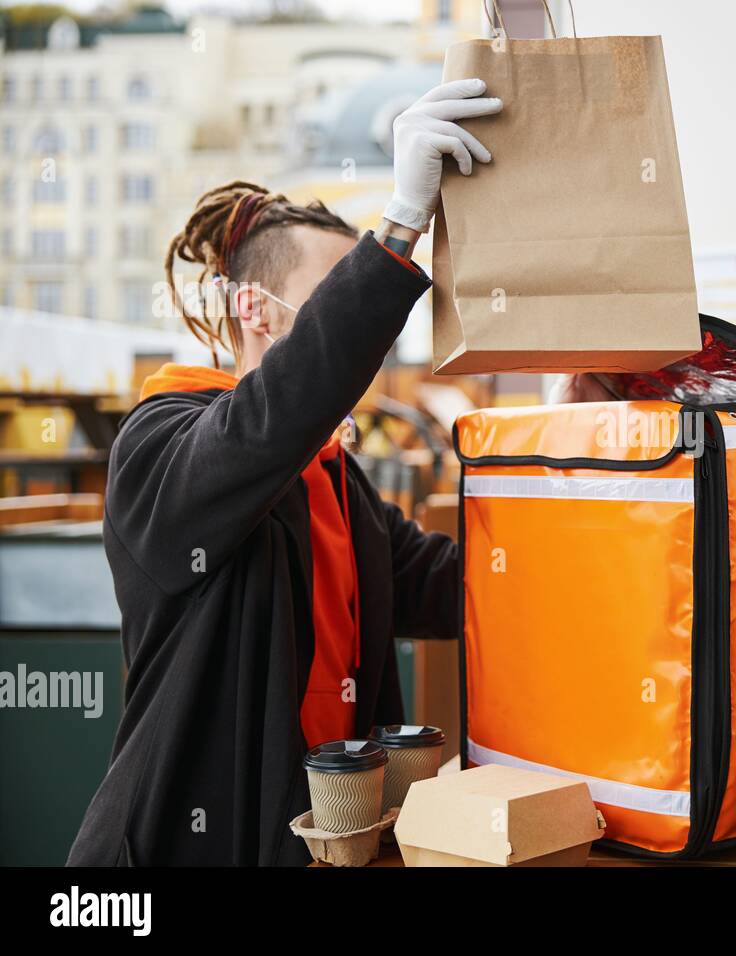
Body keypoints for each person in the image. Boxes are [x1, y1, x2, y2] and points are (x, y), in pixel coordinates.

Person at [68, 79, 504, 866]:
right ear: (254, 310)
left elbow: (451, 585)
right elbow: (273, 415)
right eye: (333, 294)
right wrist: (398, 231)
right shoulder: (160, 445)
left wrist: (575, 459)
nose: (362, 341)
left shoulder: (337, 481)